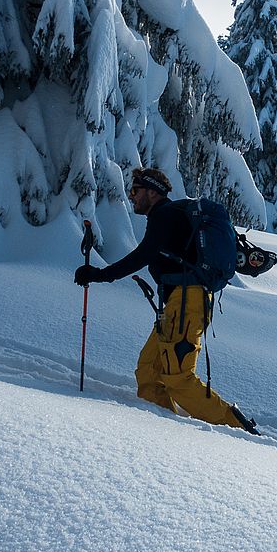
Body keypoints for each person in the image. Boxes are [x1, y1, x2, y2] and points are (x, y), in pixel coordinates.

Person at [74, 167, 258, 434]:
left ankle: (239, 430)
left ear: (152, 192)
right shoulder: (169, 217)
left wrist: (101, 275)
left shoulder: (165, 215)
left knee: (179, 378)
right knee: (149, 372)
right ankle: (162, 434)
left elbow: (142, 256)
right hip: (177, 305)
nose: (132, 196)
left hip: (187, 304)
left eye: (135, 191)